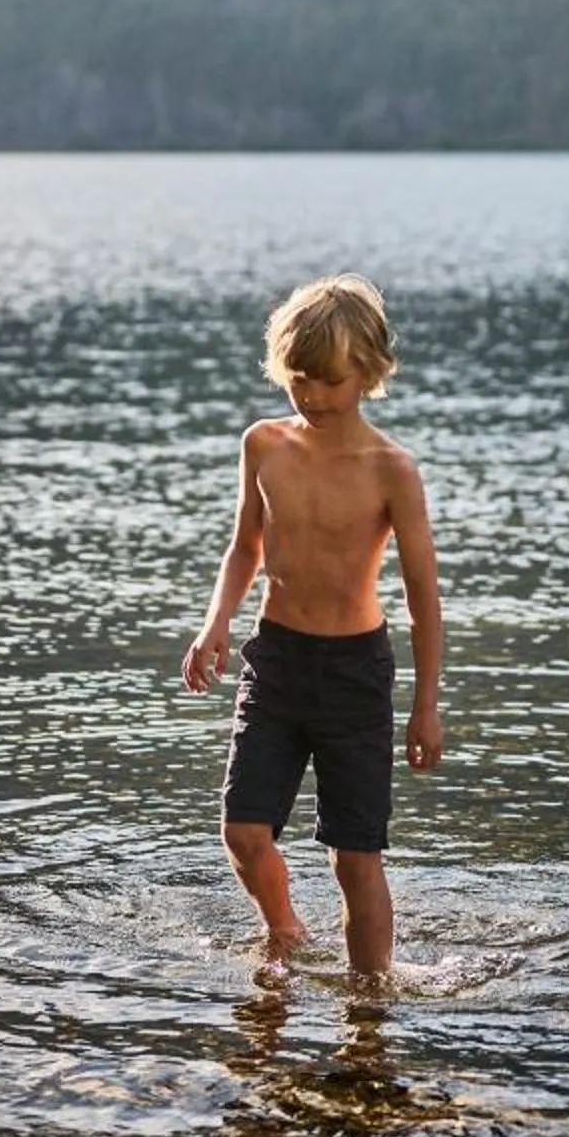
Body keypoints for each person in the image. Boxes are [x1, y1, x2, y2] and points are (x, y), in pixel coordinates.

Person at [182, 273, 445, 978]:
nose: (311, 396)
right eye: (298, 379)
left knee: (355, 857)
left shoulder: (393, 470)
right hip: (277, 662)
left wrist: (425, 707)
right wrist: (214, 627)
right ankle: (285, 929)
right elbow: (246, 545)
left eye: (328, 381)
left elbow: (423, 596)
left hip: (355, 672)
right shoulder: (264, 445)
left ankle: (369, 1004)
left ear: (369, 373)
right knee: (242, 831)